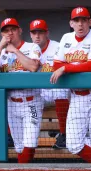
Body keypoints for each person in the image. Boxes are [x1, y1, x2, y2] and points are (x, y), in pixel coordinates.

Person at [0, 18, 43, 163]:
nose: (9, 33)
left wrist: (15, 51)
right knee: (19, 147)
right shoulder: (2, 52)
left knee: (29, 144)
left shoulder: (32, 47)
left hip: (31, 101)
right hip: (11, 102)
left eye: (12, 29)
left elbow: (33, 67)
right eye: (6, 30)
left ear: (19, 30)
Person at [50, 7, 91, 162]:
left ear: (89, 22)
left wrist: (67, 67)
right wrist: (68, 66)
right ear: (71, 23)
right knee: (73, 144)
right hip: (77, 97)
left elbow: (90, 65)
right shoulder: (67, 38)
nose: (80, 24)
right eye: (76, 21)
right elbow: (55, 65)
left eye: (84, 20)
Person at [29, 19, 70, 149]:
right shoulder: (29, 49)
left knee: (60, 91)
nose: (37, 36)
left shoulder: (57, 47)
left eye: (40, 32)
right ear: (30, 34)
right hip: (39, 93)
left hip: (56, 89)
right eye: (34, 32)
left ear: (47, 33)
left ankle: (64, 134)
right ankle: (11, 137)